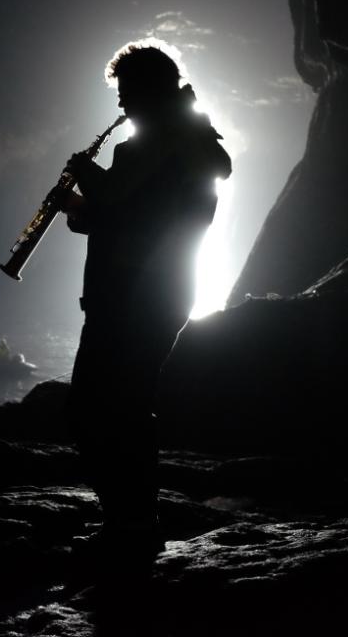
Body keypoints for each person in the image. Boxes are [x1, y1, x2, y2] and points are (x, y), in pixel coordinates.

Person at [61, 40, 232, 568]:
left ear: (149, 88)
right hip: (147, 293)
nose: (120, 104)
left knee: (106, 407)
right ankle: (129, 523)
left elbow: (119, 200)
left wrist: (83, 174)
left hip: (136, 296)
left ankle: (131, 527)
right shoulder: (182, 137)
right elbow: (132, 213)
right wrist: (80, 210)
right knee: (118, 406)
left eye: (126, 91)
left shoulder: (166, 138)